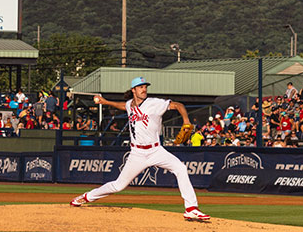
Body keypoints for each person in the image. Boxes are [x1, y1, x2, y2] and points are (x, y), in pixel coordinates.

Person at [70, 77, 210, 220]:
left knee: (180, 168)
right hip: (137, 153)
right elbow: (123, 106)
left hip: (156, 150)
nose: (144, 89)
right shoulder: (130, 104)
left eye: (145, 87)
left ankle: (191, 208)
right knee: (118, 186)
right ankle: (86, 197)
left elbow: (178, 105)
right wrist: (105, 102)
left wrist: (186, 121)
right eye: (141, 87)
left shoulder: (154, 103)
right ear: (133, 90)